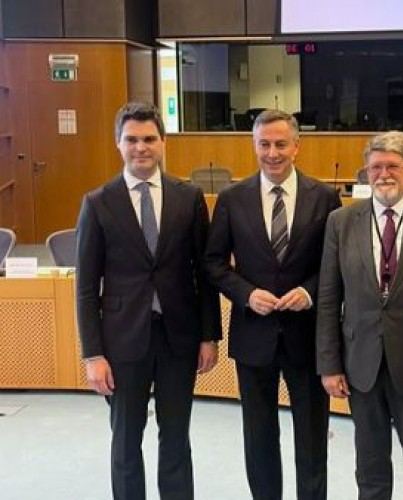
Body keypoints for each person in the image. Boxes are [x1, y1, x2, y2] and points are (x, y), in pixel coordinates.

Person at [76, 101, 221, 500]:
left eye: (149, 139)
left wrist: (209, 335)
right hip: (121, 342)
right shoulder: (98, 202)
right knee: (125, 440)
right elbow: (86, 287)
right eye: (132, 139)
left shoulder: (189, 197)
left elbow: (204, 273)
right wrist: (92, 354)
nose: (141, 147)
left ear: (163, 142)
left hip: (179, 339)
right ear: (118, 143)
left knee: (176, 437)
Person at [204, 109, 341, 500]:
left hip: (308, 339)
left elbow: (336, 263)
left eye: (281, 144)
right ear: (254, 145)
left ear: (297, 146)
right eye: (264, 144)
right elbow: (213, 263)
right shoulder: (232, 199)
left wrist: (310, 292)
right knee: (259, 438)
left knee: (312, 439)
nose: (272, 153)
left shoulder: (325, 197)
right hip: (253, 337)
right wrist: (246, 293)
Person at [317, 131, 403, 500]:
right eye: (375, 167)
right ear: (366, 172)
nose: (383, 174)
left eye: (392, 166)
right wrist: (329, 365)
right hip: (361, 366)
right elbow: (329, 299)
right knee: (370, 468)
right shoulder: (340, 222)